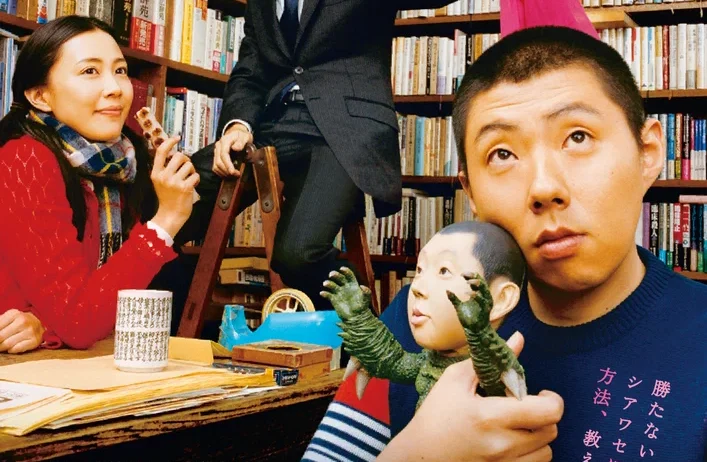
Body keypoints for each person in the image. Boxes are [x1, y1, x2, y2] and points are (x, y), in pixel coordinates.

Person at [303, 25, 707, 461]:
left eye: (578, 137)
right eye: (502, 154)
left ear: (647, 153)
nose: (544, 187)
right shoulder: (424, 313)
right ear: (471, 193)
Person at [187, 0, 459, 311]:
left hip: (341, 131)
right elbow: (250, 70)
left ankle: (370, 327)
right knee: (162, 205)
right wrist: (238, 125)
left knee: (298, 255)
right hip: (268, 126)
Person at [0, 15, 200, 353]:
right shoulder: (24, 159)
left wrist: (46, 324)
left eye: (120, 70)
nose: (115, 88)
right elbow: (79, 319)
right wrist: (167, 219)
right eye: (90, 71)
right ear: (40, 96)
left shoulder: (123, 163)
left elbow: (97, 303)